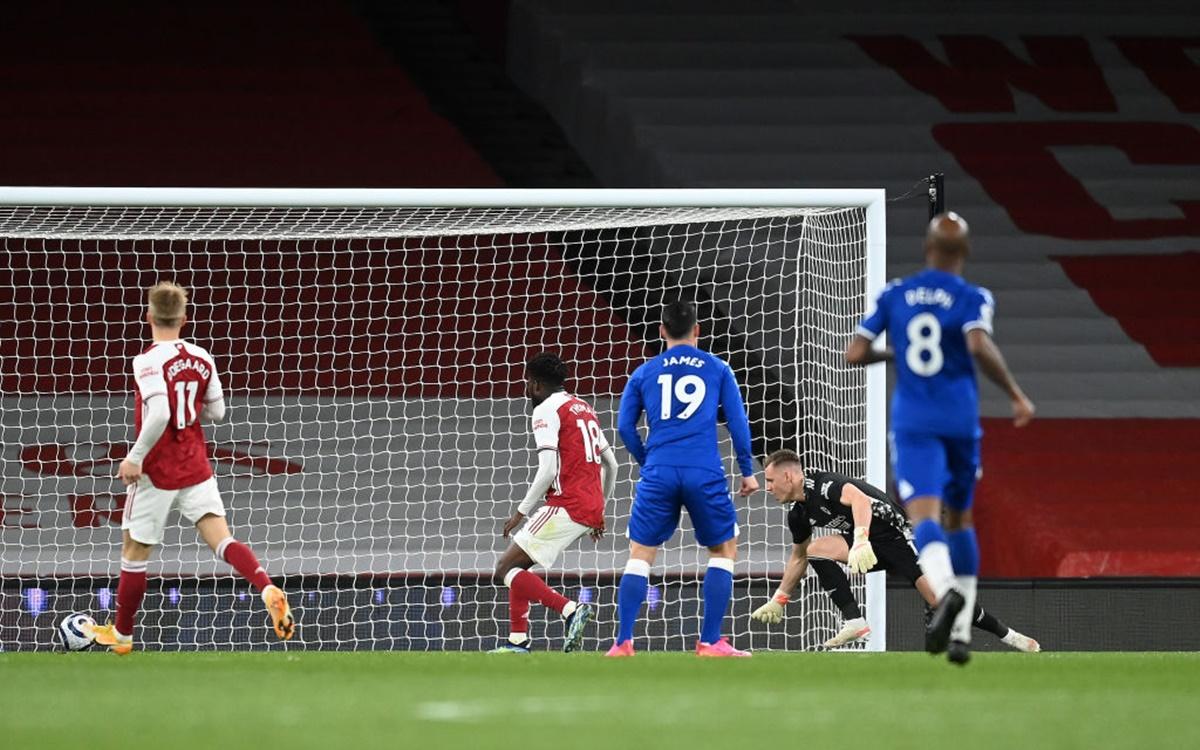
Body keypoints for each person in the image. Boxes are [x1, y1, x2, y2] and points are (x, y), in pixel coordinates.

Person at [845, 212, 1035, 664]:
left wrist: (897, 353)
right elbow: (976, 344)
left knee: (924, 513)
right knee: (961, 519)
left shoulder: (895, 293)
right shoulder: (973, 296)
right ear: (964, 253)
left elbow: (854, 352)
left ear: (927, 249)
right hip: (960, 420)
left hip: (915, 421)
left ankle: (946, 592)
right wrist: (1015, 394)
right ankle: (962, 636)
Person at [91, 282, 293, 654]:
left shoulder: (146, 360)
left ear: (149, 316)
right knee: (222, 539)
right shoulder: (202, 357)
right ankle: (265, 585)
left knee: (134, 552)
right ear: (184, 319)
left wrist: (134, 456)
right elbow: (218, 412)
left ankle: (121, 635)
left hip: (158, 470)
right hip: (196, 464)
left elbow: (162, 413)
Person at [750, 450, 1039, 653]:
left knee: (941, 601)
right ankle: (855, 621)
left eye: (771, 480)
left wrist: (861, 539)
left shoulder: (824, 485)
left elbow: (860, 500)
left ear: (789, 476)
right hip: (868, 543)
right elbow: (799, 557)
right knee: (816, 550)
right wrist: (780, 598)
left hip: (898, 537)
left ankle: (1009, 636)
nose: (768, 487)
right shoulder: (798, 514)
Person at [608, 301, 759, 658]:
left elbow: (624, 427)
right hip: (704, 470)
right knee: (723, 549)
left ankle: (623, 642)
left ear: (661, 331)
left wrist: (648, 461)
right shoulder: (718, 368)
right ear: (698, 330)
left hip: (659, 469)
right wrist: (747, 472)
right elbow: (738, 424)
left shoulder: (644, 372)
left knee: (641, 553)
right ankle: (709, 642)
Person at [491, 353, 617, 653]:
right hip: (587, 506)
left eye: (526, 382)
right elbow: (611, 464)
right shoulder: (583, 407)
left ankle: (570, 609)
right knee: (520, 567)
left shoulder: (546, 410)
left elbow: (547, 470)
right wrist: (599, 510)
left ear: (535, 384)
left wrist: (520, 513)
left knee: (504, 568)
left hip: (566, 502)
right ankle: (518, 642)